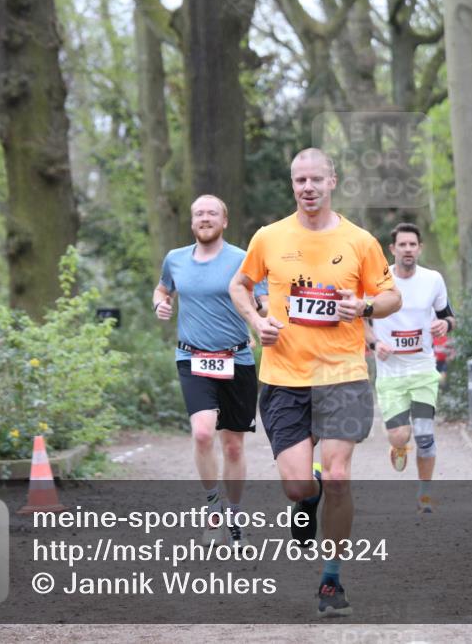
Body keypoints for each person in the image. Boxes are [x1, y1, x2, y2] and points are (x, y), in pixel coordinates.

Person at [229, 148, 401, 618]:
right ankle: (309, 495)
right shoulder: (269, 237)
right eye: (300, 180)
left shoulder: (360, 241)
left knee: (340, 475)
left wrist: (364, 307)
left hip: (343, 374)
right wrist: (256, 322)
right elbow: (239, 285)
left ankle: (331, 578)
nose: (308, 187)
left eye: (316, 179)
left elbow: (391, 296)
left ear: (332, 182)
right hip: (284, 376)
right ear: (293, 185)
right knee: (297, 486)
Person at [153, 195, 259, 547]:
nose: (205, 218)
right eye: (199, 213)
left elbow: (261, 300)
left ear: (224, 221)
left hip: (236, 359)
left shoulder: (242, 259)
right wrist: (160, 303)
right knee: (202, 433)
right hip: (192, 358)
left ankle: (235, 515)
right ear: (192, 221)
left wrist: (263, 322)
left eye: (212, 213)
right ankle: (213, 509)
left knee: (233, 447)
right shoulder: (175, 259)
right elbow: (162, 289)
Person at [363, 223, 456, 514]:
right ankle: (398, 446)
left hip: (423, 369)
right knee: (399, 435)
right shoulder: (378, 281)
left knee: (425, 436)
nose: (407, 249)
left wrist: (445, 325)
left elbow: (449, 316)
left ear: (420, 248)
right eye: (402, 245)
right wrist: (376, 344)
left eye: (412, 245)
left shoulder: (433, 280)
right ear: (392, 249)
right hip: (390, 371)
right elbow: (360, 320)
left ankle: (425, 495)